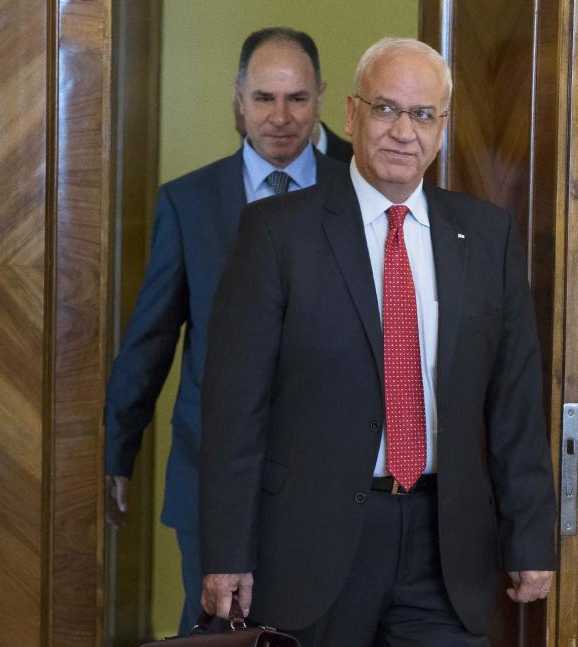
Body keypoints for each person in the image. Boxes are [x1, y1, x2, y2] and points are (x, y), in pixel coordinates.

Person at [199, 37, 556, 646]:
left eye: (422, 115)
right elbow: (235, 410)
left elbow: (515, 403)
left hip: (444, 544)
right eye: (386, 108)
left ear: (442, 128)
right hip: (312, 543)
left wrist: (530, 537)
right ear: (351, 114)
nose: (402, 131)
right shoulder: (276, 233)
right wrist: (227, 551)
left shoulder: (487, 235)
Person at [103, 27, 346, 635]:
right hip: (210, 473)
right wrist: (117, 448)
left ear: (322, 98)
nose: (281, 118)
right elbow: (150, 338)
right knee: (220, 633)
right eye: (264, 98)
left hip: (329, 476)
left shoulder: (363, 187)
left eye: (297, 99)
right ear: (238, 100)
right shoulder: (189, 203)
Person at [233, 96, 353, 163]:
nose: (279, 120)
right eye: (247, 138)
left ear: (317, 100)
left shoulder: (356, 167)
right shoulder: (219, 183)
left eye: (295, 99)